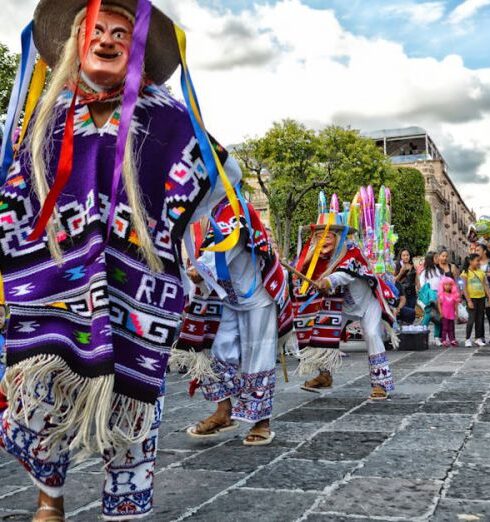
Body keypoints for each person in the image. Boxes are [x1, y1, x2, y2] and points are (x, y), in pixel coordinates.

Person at [0, 1, 241, 520]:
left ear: (137, 53)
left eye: (121, 34)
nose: (107, 40)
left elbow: (226, 176)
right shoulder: (45, 118)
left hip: (136, 290)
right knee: (41, 398)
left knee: (133, 414)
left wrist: (160, 219)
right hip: (53, 293)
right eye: (95, 31)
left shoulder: (168, 117)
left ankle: (125, 507)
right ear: (75, 46)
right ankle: (50, 500)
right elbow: (13, 198)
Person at [173, 197, 293, 446]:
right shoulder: (214, 211)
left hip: (257, 298)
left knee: (256, 356)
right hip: (229, 298)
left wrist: (199, 270)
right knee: (216, 352)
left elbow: (226, 249)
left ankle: (262, 422)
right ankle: (224, 412)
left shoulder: (236, 210)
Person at [294, 225, 396, 401]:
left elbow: (345, 274)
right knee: (321, 332)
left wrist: (327, 281)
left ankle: (381, 383)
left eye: (327, 236)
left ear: (338, 238)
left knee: (372, 334)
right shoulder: (317, 259)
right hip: (341, 305)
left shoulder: (352, 252)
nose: (323, 241)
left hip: (367, 303)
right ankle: (325, 375)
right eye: (318, 237)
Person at [462, 254, 490, 347]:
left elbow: (485, 285)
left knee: (480, 319)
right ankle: (467, 339)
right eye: (477, 261)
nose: (479, 263)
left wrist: (489, 296)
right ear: (470, 261)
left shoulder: (481, 272)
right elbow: (464, 288)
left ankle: (478, 338)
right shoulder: (465, 273)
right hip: (472, 299)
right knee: (471, 319)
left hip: (481, 298)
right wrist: (469, 301)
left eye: (479, 261)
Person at [418, 251, 444, 346]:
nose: (438, 259)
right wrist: (429, 295)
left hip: (439, 297)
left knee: (438, 318)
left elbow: (443, 282)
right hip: (429, 298)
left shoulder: (440, 271)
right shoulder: (424, 273)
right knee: (428, 316)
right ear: (430, 260)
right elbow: (423, 286)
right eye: (436, 258)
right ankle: (421, 335)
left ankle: (437, 338)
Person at [437, 277, 460, 347]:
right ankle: (443, 340)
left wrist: (457, 313)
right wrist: (441, 313)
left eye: (450, 285)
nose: (448, 286)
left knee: (451, 328)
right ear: (442, 286)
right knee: (444, 328)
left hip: (451, 314)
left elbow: (455, 306)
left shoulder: (454, 295)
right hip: (444, 314)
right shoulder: (442, 295)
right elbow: (439, 305)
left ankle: (452, 339)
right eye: (446, 285)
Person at [475, 243, 490, 342]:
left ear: (484, 251)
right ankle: (480, 337)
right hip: (477, 292)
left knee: (489, 314)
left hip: (489, 291)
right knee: (478, 316)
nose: (476, 252)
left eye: (478, 250)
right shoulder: (475, 263)